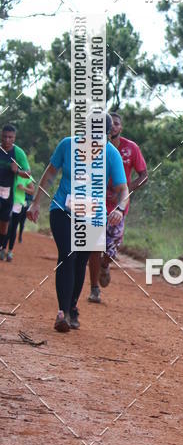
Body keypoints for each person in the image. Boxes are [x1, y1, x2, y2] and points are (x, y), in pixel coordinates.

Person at [28, 114, 128, 332]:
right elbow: (50, 174)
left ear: (109, 134)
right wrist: (36, 203)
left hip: (93, 214)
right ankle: (62, 313)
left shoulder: (111, 154)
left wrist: (120, 209)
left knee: (81, 261)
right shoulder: (67, 145)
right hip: (63, 208)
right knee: (68, 254)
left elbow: (123, 189)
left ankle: (72, 306)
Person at [88, 112, 148, 303]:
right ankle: (94, 288)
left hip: (119, 207)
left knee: (111, 250)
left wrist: (126, 189)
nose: (113, 126)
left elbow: (144, 175)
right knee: (94, 246)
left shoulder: (131, 148)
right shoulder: (93, 147)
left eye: (116, 124)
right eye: (110, 123)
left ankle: (105, 265)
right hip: (96, 204)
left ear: (120, 128)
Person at [0, 124, 32, 261]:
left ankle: (2, 247)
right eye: (4, 137)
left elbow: (28, 173)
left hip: (9, 193)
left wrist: (17, 171)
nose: (7, 140)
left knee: (5, 224)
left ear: (14, 138)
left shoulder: (18, 153)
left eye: (10, 137)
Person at [6, 173, 35, 261]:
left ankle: (11, 249)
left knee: (16, 226)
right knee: (8, 226)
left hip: (21, 204)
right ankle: (3, 248)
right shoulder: (11, 172)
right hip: (8, 202)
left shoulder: (27, 177)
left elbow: (32, 191)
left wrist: (23, 188)